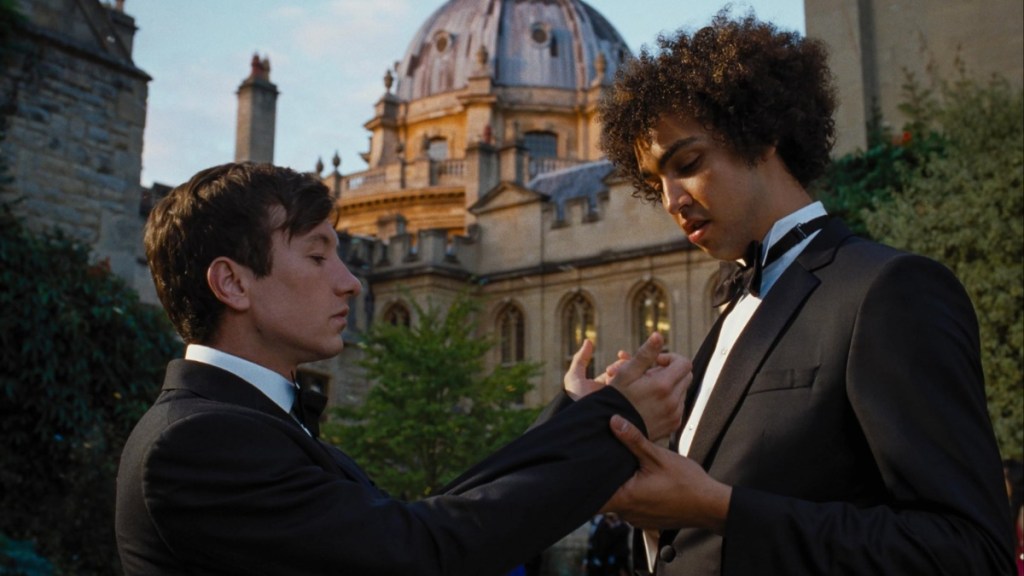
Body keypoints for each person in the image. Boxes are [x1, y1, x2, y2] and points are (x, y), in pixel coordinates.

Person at [584, 11, 1015, 575]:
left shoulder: (887, 290)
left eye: (687, 164)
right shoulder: (731, 314)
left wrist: (721, 508)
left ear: (761, 133)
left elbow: (969, 551)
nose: (670, 199)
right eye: (653, 183)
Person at [114, 162, 692, 576]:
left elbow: (420, 522)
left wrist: (578, 417)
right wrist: (613, 430)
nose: (350, 280)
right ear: (232, 282)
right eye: (318, 256)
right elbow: (425, 554)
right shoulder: (196, 442)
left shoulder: (239, 422)